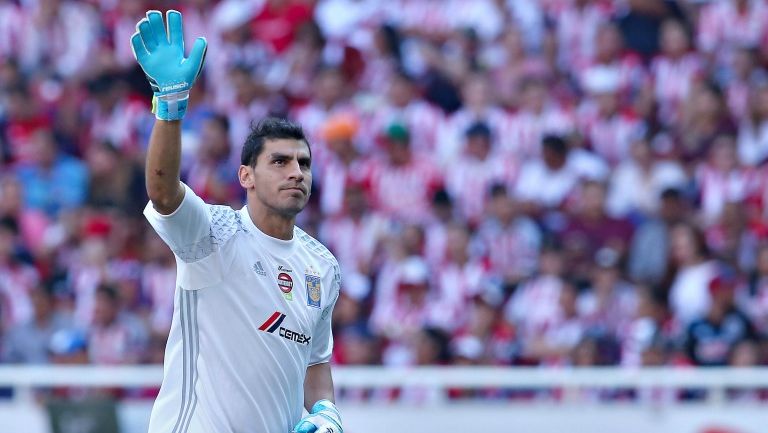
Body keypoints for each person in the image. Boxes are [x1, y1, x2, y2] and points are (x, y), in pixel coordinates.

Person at [131, 10, 342, 433]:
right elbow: (164, 192)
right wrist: (170, 110)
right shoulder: (214, 235)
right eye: (280, 161)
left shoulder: (322, 266)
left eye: (304, 163)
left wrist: (326, 414)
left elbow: (316, 365)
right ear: (245, 175)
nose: (296, 172)